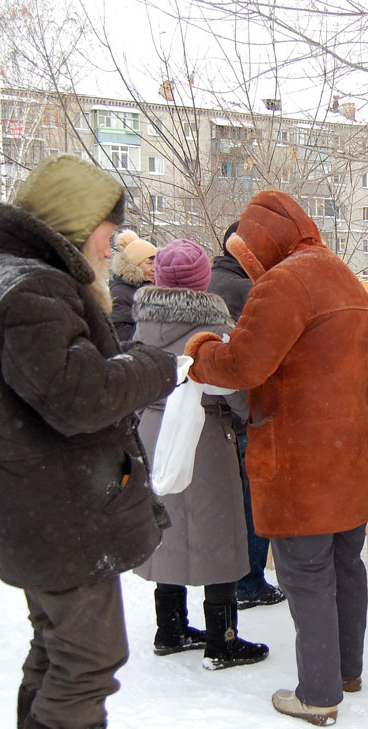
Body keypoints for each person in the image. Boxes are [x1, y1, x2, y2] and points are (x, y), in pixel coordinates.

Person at [0, 154, 178, 729]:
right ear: (76, 222)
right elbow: (78, 397)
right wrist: (155, 365)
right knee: (88, 656)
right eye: (109, 228)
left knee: (55, 645)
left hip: (35, 502)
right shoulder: (31, 289)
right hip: (60, 508)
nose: (114, 242)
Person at [184, 190, 368, 727]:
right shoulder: (339, 272)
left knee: (307, 573)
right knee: (345, 561)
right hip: (352, 451)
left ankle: (318, 695)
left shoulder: (285, 281)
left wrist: (200, 352)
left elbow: (244, 364)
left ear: (261, 242)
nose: (249, 263)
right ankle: (346, 670)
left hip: (302, 457)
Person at [132, 238, 269, 670]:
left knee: (166, 525)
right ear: (201, 282)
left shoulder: (142, 325)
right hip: (205, 435)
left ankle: (169, 628)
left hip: (154, 432)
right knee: (219, 527)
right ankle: (221, 639)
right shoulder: (213, 331)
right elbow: (237, 396)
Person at [205, 220, 285, 609]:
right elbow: (258, 354)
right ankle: (250, 581)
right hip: (241, 409)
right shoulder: (246, 289)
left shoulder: (212, 278)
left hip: (213, 410)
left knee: (232, 503)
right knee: (255, 499)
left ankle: (234, 577)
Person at [108, 229, 157, 342]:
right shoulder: (119, 293)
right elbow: (121, 335)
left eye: (157, 263)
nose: (154, 269)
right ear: (135, 266)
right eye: (149, 263)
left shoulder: (149, 284)